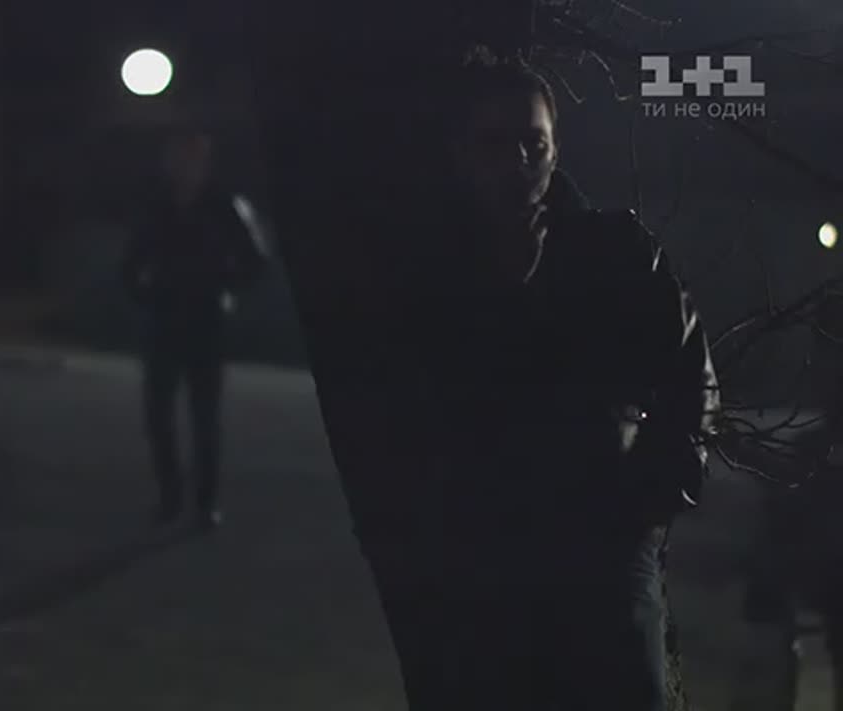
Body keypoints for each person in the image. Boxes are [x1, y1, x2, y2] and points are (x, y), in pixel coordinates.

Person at [264, 47, 721, 709]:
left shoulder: (616, 251)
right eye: (495, 143)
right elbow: (391, 404)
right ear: (459, 153)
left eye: (535, 142)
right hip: (475, 557)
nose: (518, 160)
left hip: (602, 544)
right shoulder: (420, 273)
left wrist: (655, 495)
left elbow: (691, 375)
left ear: (556, 148)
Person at [121, 129, 267, 530]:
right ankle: (170, 498)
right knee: (158, 415)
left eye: (191, 159)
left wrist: (223, 285)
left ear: (204, 164)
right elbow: (132, 257)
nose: (183, 167)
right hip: (163, 317)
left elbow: (255, 260)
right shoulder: (155, 205)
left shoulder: (225, 206)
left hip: (205, 320)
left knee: (205, 416)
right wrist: (143, 291)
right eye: (177, 158)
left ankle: (205, 503)